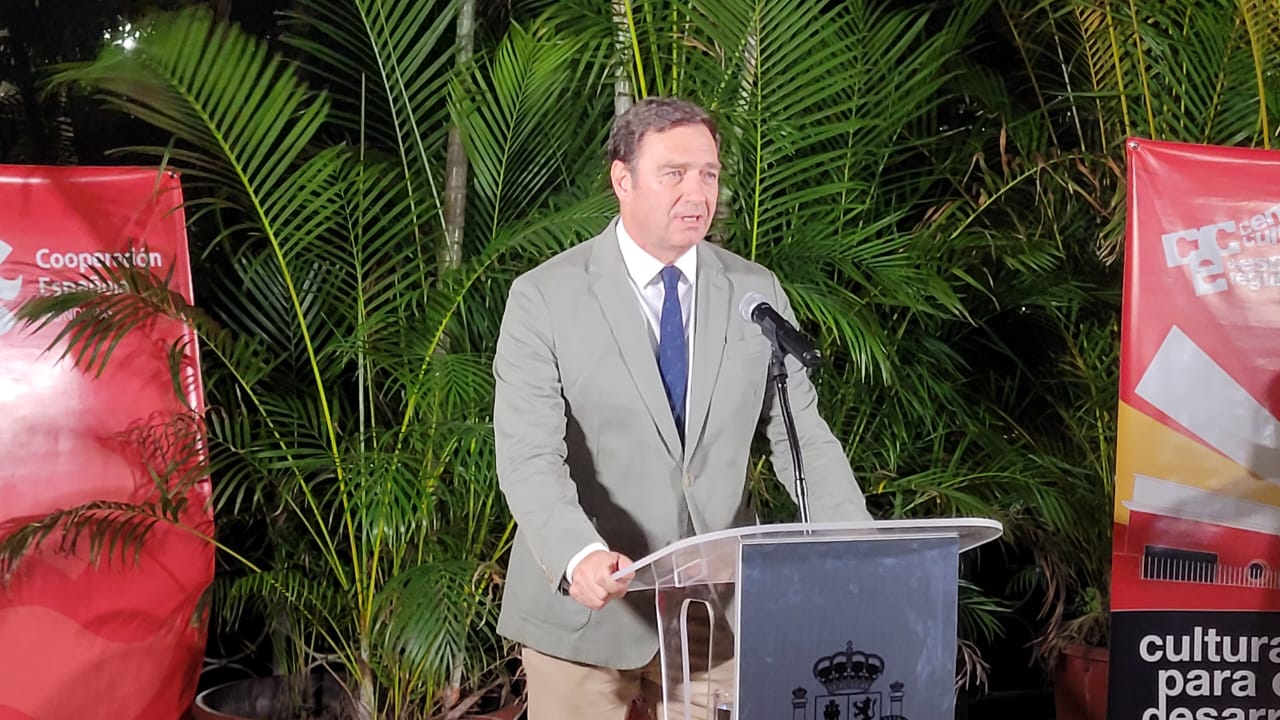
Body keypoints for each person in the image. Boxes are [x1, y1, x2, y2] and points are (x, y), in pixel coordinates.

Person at [492, 97, 871, 720]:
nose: (697, 193)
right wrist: (578, 555)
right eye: (674, 174)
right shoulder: (544, 298)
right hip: (589, 613)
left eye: (709, 174)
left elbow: (802, 436)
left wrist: (859, 544)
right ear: (623, 179)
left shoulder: (756, 293)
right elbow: (528, 457)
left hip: (713, 612)